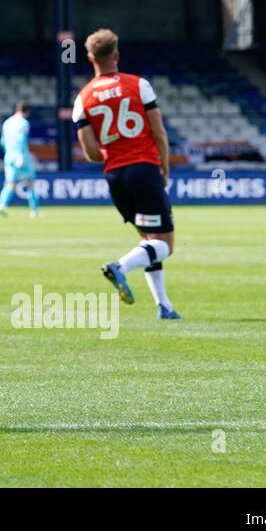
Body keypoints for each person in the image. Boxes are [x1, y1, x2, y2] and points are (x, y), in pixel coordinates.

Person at [73, 28, 181, 320]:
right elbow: (159, 133)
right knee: (165, 246)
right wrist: (164, 169)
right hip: (144, 169)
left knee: (148, 240)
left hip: (115, 177)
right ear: (117, 54)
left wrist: (115, 152)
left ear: (89, 57)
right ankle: (119, 267)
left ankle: (164, 306)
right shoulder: (139, 85)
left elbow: (91, 153)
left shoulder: (83, 98)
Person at [0, 101, 40, 218]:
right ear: (26, 111)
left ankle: (2, 205)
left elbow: (2, 142)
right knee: (30, 183)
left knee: (10, 183)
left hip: (9, 155)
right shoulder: (23, 123)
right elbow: (21, 140)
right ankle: (34, 211)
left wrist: (8, 153)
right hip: (21, 155)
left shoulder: (7, 122)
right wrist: (20, 155)